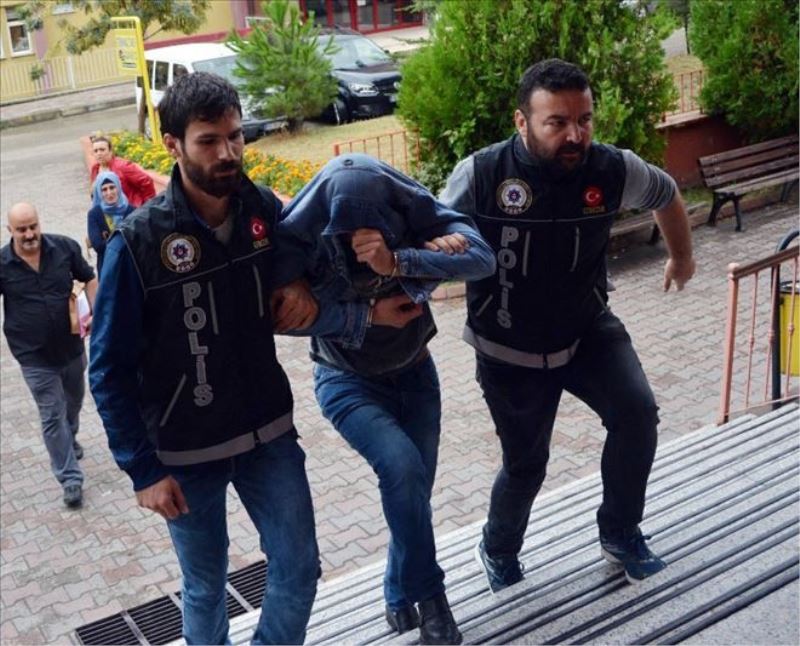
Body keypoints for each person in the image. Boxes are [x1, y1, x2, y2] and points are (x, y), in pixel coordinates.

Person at [439, 59, 696, 590]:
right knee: (527, 463)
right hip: (508, 347)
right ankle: (498, 547)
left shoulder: (612, 168)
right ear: (522, 122)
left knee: (637, 414)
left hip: (586, 329)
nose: (575, 135)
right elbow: (432, 230)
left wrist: (682, 256)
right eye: (557, 122)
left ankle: (620, 533)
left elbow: (666, 193)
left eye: (584, 119)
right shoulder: (482, 173)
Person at [89, 72, 323, 645]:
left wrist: (297, 280)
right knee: (204, 587)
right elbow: (107, 368)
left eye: (235, 136)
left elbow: (307, 258)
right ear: (173, 145)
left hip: (268, 433)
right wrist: (143, 469)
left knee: (300, 569)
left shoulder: (263, 210)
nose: (228, 152)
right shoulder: (138, 243)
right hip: (186, 453)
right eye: (209, 141)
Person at [276, 154, 496, 645]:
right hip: (345, 382)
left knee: (411, 490)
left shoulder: (413, 214)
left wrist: (400, 260)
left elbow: (483, 259)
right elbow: (277, 315)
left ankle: (397, 592)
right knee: (401, 468)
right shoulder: (304, 236)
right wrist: (367, 316)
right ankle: (432, 599)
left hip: (416, 373)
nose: (357, 235)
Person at [0, 203, 97, 509]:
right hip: (32, 355)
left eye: (33, 226)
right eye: (22, 230)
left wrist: (96, 310)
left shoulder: (64, 248)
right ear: (10, 231)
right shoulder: (2, 264)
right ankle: (70, 478)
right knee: (51, 414)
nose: (29, 234)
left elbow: (89, 277)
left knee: (73, 401)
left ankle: (71, 435)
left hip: (71, 347)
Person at [87, 171, 136, 276]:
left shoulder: (132, 210)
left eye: (112, 187)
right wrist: (125, 238)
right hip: (107, 269)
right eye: (104, 189)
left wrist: (109, 239)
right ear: (99, 192)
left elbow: (137, 241)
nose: (109, 193)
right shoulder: (95, 214)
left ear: (118, 187)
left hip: (132, 267)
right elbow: (98, 246)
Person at [90, 135, 156, 208]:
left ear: (110, 151)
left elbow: (146, 181)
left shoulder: (123, 166)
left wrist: (147, 206)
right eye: (95, 151)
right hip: (108, 211)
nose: (99, 153)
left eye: (102, 150)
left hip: (130, 210)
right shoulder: (95, 169)